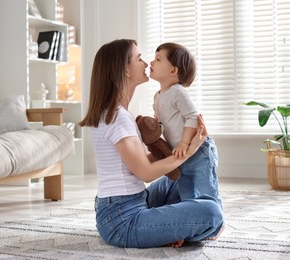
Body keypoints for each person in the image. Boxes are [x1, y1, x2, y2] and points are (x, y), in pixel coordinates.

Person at [79, 39, 224, 248]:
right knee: (212, 213)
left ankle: (172, 228)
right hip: (122, 221)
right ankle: (177, 229)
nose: (146, 63)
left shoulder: (117, 113)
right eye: (139, 59)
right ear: (125, 70)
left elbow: (138, 162)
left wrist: (167, 149)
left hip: (133, 202)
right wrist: (190, 150)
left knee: (181, 177)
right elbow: (145, 173)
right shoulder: (116, 117)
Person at [149, 42, 222, 205]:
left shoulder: (177, 92)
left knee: (207, 190)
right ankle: (196, 218)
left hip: (198, 151)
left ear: (173, 71)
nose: (151, 63)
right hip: (180, 154)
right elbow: (160, 123)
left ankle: (216, 220)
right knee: (186, 192)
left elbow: (193, 117)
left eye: (158, 59)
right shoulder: (158, 96)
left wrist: (184, 143)